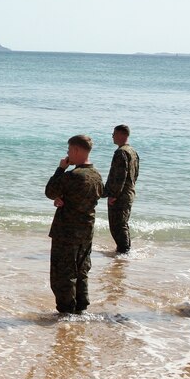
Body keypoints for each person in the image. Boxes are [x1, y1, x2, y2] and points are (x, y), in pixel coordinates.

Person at [45, 135, 103, 315]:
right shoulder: (96, 175)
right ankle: (81, 308)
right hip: (86, 231)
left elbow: (50, 191)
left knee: (63, 274)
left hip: (67, 232)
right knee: (82, 270)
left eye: (69, 150)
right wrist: (62, 200)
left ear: (77, 150)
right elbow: (86, 198)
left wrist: (61, 169)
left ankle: (66, 312)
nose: (68, 153)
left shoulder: (73, 175)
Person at [104, 124, 140, 254]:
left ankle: (124, 252)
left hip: (121, 194)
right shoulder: (132, 151)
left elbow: (120, 176)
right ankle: (124, 251)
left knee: (117, 226)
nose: (112, 136)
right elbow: (135, 174)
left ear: (122, 134)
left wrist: (114, 194)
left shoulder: (121, 152)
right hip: (129, 192)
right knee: (122, 224)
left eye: (114, 133)